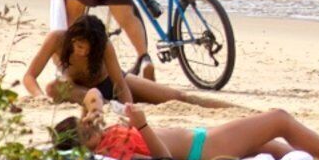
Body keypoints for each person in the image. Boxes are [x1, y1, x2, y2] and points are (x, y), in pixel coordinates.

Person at [58, 66, 319, 160]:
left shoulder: (105, 137)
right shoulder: (111, 152)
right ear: (84, 147)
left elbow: (94, 93)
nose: (91, 126)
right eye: (86, 132)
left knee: (272, 147)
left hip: (202, 140)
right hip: (204, 149)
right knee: (279, 119)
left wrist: (95, 110)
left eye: (86, 124)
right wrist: (141, 125)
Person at [47, 13, 220, 115]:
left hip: (110, 83)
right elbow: (32, 76)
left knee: (179, 97)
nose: (84, 52)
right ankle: (107, 103)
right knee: (53, 87)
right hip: (81, 91)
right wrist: (39, 96)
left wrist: (127, 108)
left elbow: (120, 84)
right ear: (72, 39)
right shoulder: (57, 39)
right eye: (80, 47)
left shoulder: (103, 45)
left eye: (88, 49)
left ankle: (236, 109)